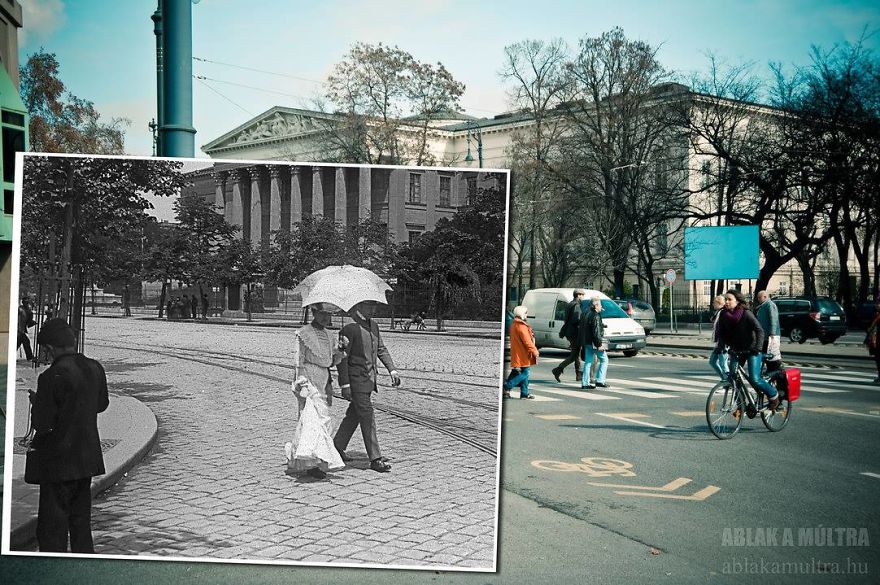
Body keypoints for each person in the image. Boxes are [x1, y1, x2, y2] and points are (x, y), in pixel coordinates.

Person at [24, 318, 109, 553]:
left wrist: (37, 403)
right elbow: (102, 404)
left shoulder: (51, 376)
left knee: (52, 529)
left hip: (58, 463)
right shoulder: (95, 367)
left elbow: (42, 424)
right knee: (81, 524)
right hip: (86, 460)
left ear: (50, 348)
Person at [333, 301, 401, 473]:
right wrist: (345, 384)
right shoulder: (349, 327)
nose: (373, 309)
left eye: (374, 306)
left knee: (354, 415)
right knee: (367, 415)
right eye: (369, 306)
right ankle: (375, 458)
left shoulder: (374, 326)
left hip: (369, 381)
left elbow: (381, 349)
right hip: (356, 382)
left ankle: (336, 447)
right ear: (359, 306)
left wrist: (392, 370)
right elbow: (342, 359)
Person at [285, 303, 347, 480]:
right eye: (322, 314)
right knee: (313, 418)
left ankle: (309, 459)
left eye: (328, 315)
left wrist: (340, 351)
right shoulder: (303, 333)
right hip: (308, 378)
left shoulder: (330, 334)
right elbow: (299, 360)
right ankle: (311, 463)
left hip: (323, 378)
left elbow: (331, 361)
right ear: (313, 312)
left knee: (325, 418)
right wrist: (301, 382)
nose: (325, 319)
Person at [715, 289, 780, 410]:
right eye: (726, 299)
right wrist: (720, 348)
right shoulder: (724, 315)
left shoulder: (746, 313)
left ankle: (773, 395)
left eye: (729, 299)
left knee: (755, 378)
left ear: (738, 301)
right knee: (733, 377)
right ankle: (740, 404)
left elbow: (759, 330)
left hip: (752, 349)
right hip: (737, 349)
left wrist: (758, 348)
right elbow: (721, 333)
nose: (727, 302)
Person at [504, 305, 538, 400]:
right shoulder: (521, 326)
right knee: (525, 373)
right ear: (521, 313)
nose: (527, 315)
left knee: (524, 372)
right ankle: (507, 386)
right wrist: (534, 350)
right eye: (526, 313)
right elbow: (527, 341)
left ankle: (524, 393)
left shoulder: (514, 324)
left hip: (518, 352)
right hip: (523, 353)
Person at [552, 289, 585, 383]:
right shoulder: (576, 305)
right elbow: (577, 320)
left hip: (569, 332)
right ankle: (558, 369)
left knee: (577, 353)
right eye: (582, 295)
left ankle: (578, 374)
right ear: (578, 295)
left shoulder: (570, 304)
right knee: (575, 354)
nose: (583, 297)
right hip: (574, 332)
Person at [579, 296, 610, 390]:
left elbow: (586, 327)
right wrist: (599, 344)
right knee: (604, 360)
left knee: (588, 362)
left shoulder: (585, 312)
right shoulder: (595, 315)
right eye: (600, 305)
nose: (601, 307)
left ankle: (585, 383)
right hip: (593, 342)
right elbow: (595, 331)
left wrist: (601, 325)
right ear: (596, 305)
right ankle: (600, 380)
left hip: (586, 341)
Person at [755, 290, 782, 371]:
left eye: (760, 297)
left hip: (770, 335)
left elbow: (773, 319)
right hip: (765, 335)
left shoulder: (770, 305)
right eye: (758, 298)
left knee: (771, 354)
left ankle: (774, 370)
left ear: (765, 297)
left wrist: (772, 332)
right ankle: (770, 369)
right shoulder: (763, 305)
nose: (758, 299)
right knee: (766, 354)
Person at [708, 295, 728, 380]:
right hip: (718, 342)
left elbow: (725, 328)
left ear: (718, 303)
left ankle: (729, 382)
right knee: (712, 361)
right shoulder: (719, 312)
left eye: (714, 302)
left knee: (723, 363)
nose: (713, 304)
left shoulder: (723, 313)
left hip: (723, 343)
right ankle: (724, 379)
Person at [865, 298, 880, 384]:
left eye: (878, 303)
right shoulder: (875, 315)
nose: (877, 305)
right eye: (877, 303)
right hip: (876, 341)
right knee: (877, 359)